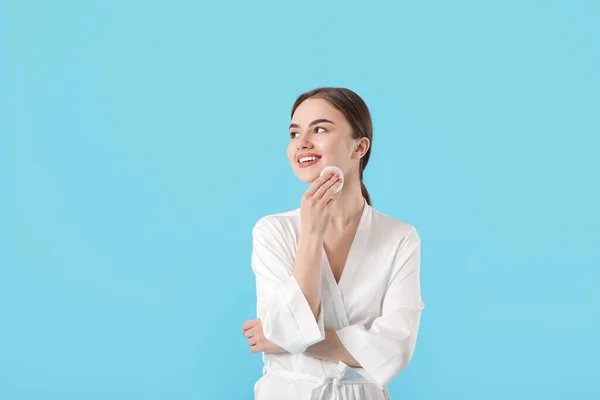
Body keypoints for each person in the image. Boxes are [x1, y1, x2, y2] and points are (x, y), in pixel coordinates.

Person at [242, 87, 424, 400]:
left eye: (320, 129)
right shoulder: (273, 231)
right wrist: (311, 233)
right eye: (294, 132)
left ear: (359, 147)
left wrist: (295, 338)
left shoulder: (399, 238)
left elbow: (396, 349)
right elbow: (284, 328)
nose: (302, 142)